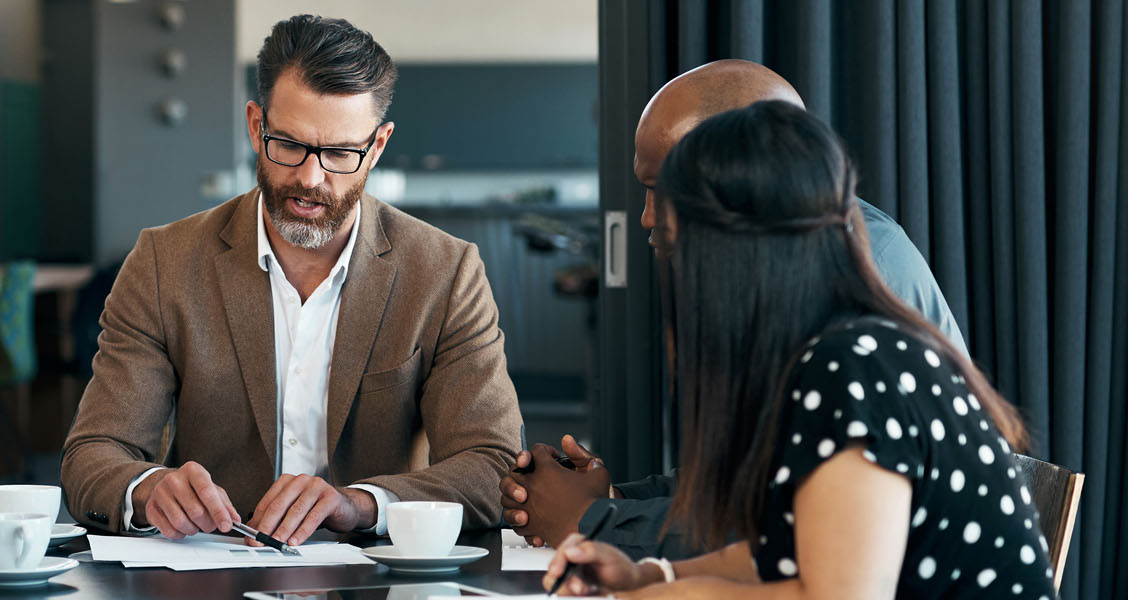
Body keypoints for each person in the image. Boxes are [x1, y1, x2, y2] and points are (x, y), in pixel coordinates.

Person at [540, 100, 1053, 598]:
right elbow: (781, 553)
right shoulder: (839, 352)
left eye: (683, 246)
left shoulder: (854, 367)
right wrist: (650, 577)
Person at [59, 14, 523, 546]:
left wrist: (361, 503)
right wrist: (147, 488)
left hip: (375, 576)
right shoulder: (165, 263)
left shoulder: (444, 272)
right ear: (256, 126)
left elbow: (495, 466)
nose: (310, 177)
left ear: (376, 147)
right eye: (290, 145)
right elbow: (92, 456)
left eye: (340, 154)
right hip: (211, 572)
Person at [502, 59, 972, 560]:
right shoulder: (797, 272)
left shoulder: (851, 305)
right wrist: (613, 501)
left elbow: (785, 529)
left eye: (663, 189)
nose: (645, 217)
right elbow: (759, 482)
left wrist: (594, 521)